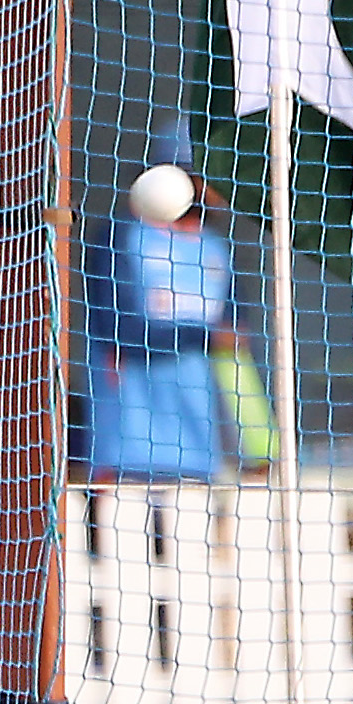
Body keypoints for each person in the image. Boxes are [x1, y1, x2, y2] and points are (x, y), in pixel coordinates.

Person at [83, 162, 237, 483]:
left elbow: (237, 331)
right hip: (130, 447)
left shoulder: (215, 245)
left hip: (199, 452)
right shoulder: (121, 235)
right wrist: (204, 337)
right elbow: (123, 330)